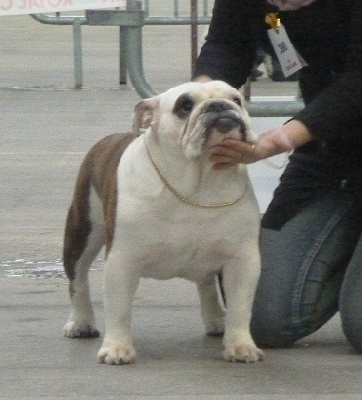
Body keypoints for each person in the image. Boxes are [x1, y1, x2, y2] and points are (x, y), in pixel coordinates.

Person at [193, 0, 362, 351]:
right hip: (329, 150)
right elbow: (227, 43)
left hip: (327, 121)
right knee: (260, 321)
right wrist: (199, 98)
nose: (283, 5)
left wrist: (280, 139)